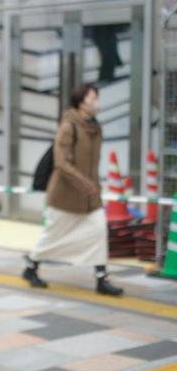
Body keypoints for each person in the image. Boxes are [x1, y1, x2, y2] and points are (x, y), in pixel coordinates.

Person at [22, 83, 124, 296]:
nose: (96, 102)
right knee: (52, 236)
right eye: (92, 98)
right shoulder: (69, 126)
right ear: (80, 102)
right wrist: (87, 185)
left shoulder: (95, 127)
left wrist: (93, 186)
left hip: (90, 197)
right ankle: (31, 267)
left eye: (96, 98)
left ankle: (101, 278)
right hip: (65, 195)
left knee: (98, 232)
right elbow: (61, 163)